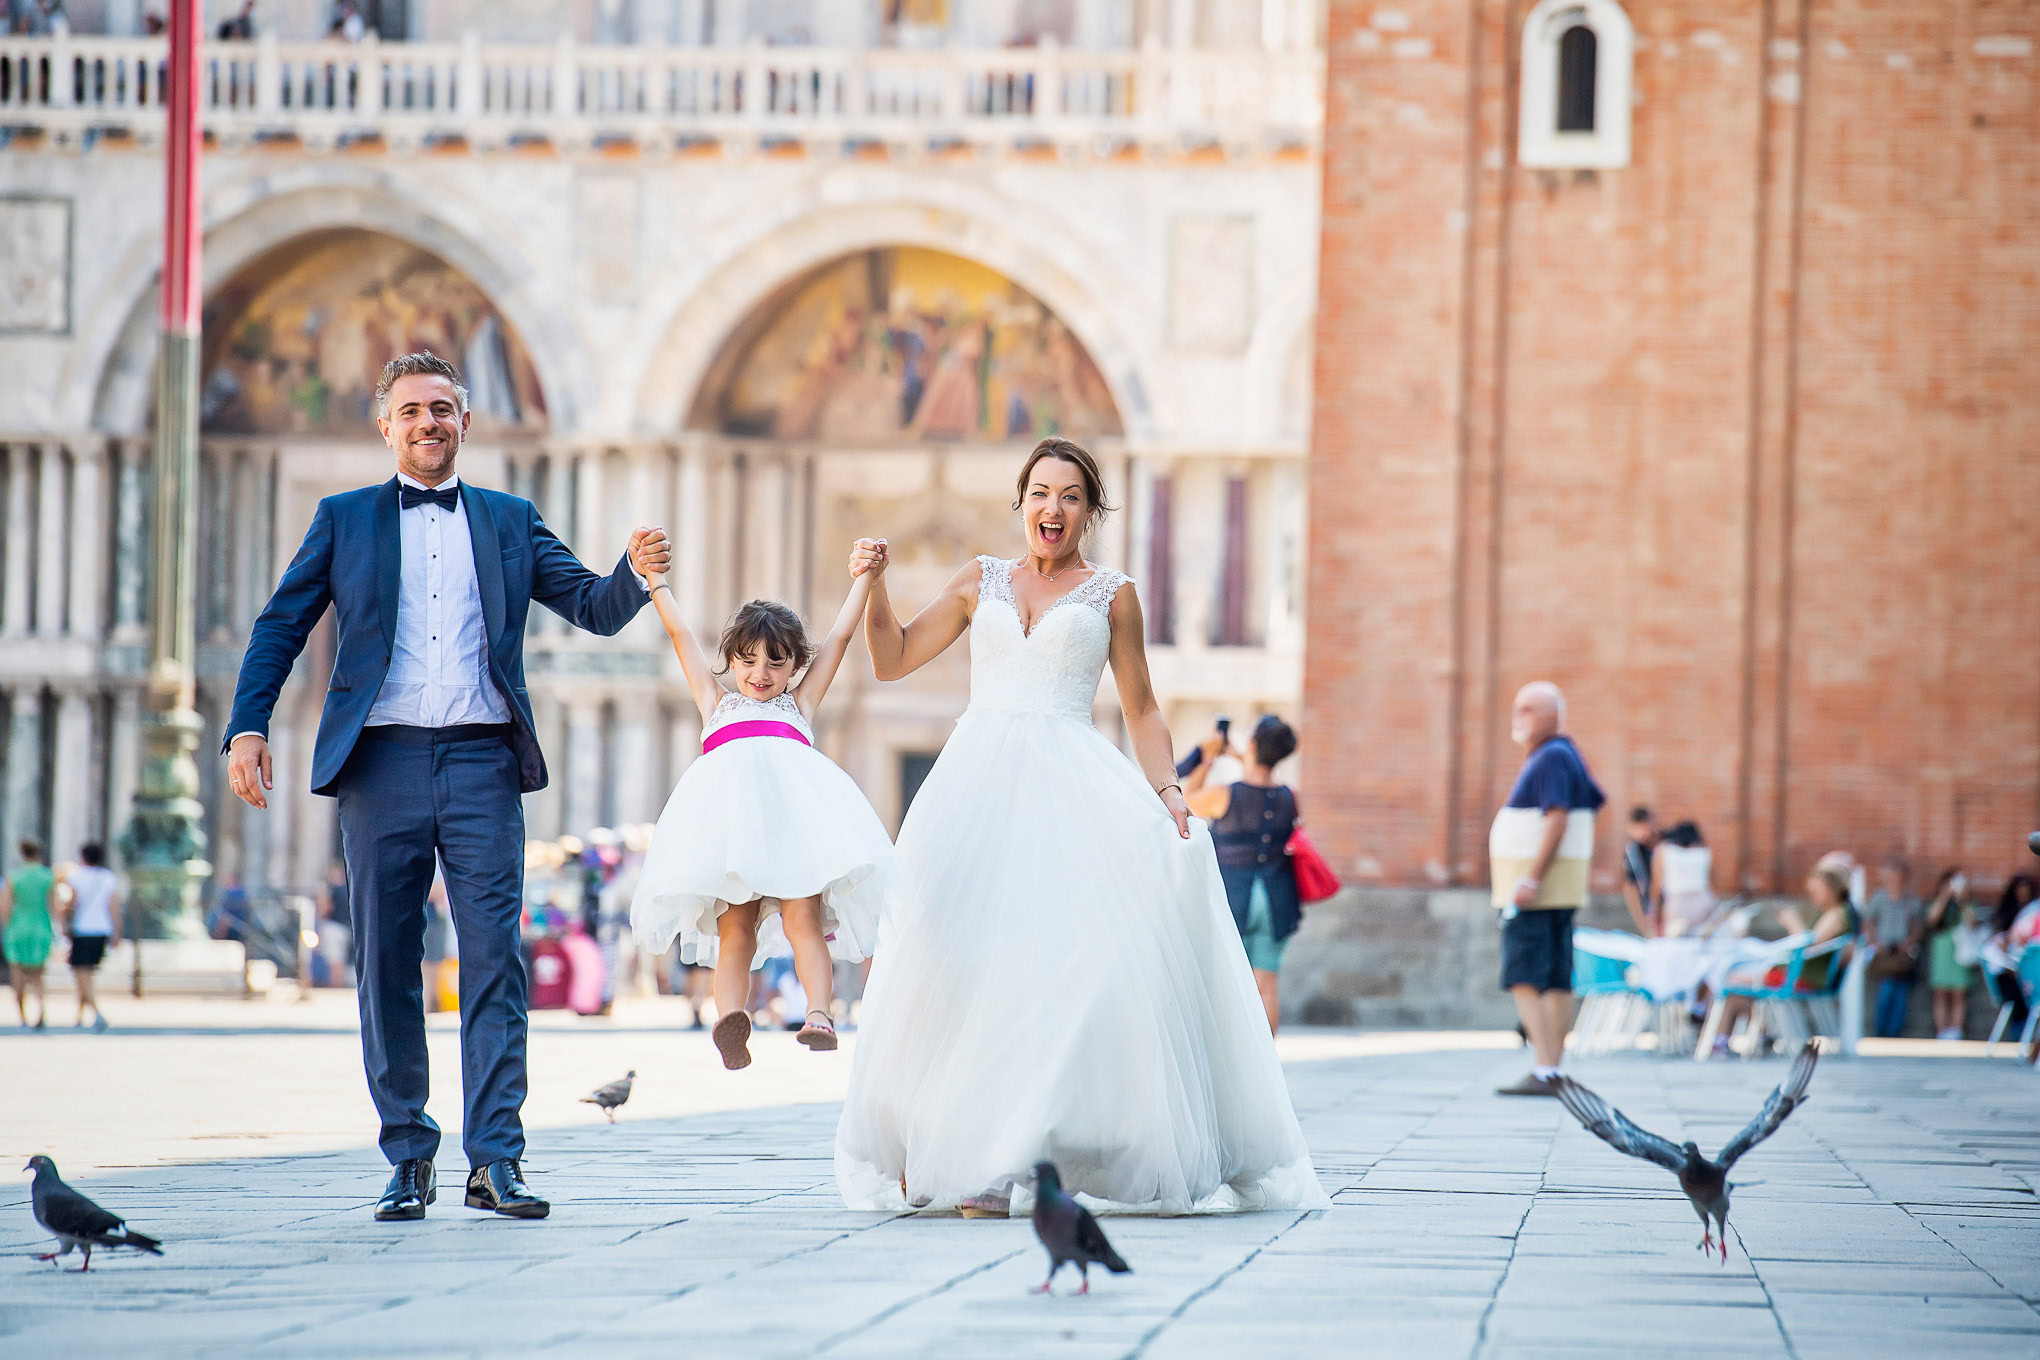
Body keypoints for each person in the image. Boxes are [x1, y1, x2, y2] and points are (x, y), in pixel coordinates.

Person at [223, 350, 665, 1223]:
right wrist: (248, 725)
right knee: (386, 960)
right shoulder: (343, 519)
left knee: (495, 957)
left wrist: (635, 571)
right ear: (386, 426)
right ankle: (408, 1155)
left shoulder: (508, 519)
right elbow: (282, 622)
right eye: (412, 410)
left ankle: (496, 1159)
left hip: (480, 761)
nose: (430, 422)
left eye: (444, 409)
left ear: (466, 422)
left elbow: (593, 607)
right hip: (378, 763)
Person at [835, 437, 1325, 1216]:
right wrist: (877, 585)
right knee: (955, 959)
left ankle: (1007, 1161)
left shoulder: (1113, 594)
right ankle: (950, 1148)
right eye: (1039, 493)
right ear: (1020, 503)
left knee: (1045, 970)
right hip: (972, 788)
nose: (1051, 509)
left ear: (1090, 511)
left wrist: (1168, 790)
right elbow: (892, 659)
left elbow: (1142, 707)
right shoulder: (979, 580)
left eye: (1069, 496)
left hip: (1068, 785)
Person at [631, 556, 895, 1069]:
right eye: (749, 661)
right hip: (734, 837)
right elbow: (682, 635)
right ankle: (730, 1018)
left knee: (804, 921)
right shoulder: (716, 703)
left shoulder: (799, 705)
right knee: (736, 930)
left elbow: (839, 638)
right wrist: (657, 582)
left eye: (777, 664)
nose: (761, 674)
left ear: (795, 667)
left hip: (795, 832)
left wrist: (864, 576)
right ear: (730, 659)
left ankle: (820, 1013)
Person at [1489, 682, 1606, 1097]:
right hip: (1556, 890)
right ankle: (1552, 1069)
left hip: (1534, 892)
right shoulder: (1565, 754)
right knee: (1556, 978)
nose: (1519, 717)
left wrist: (1532, 877)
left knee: (1524, 976)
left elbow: (1556, 818)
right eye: (1518, 708)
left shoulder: (1552, 756)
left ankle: (1544, 1069)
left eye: (1529, 710)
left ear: (1554, 715)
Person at [1186, 714, 1302, 1036]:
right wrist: (1247, 755)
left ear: (1252, 745)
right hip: (1276, 899)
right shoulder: (1291, 798)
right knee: (1266, 988)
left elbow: (1180, 803)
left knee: (1227, 987)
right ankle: (1267, 1072)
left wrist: (1208, 759)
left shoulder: (1224, 794)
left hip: (1234, 899)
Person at [61, 843, 121, 1031]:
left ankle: (97, 1013)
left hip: (82, 929)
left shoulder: (76, 876)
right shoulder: (107, 877)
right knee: (84, 973)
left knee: (82, 973)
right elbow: (113, 908)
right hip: (102, 928)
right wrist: (116, 932)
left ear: (83, 857)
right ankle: (79, 1015)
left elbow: (72, 903)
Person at [1864, 855, 1923, 1038]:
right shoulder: (1879, 898)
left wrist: (1909, 943)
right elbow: (1869, 921)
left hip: (1902, 952)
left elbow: (1918, 926)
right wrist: (1874, 942)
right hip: (1884, 951)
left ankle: (1894, 1031)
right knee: (1887, 988)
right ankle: (1881, 1030)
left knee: (1901, 991)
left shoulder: (1911, 900)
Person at [1, 840, 56, 1030]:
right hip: (41, 927)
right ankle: (40, 1008)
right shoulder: (47, 876)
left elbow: (4, 906)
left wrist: (7, 926)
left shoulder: (14, 876)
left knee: (17, 974)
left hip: (18, 928)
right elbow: (53, 906)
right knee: (38, 974)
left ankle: (22, 1016)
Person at [1922, 868, 1977, 1040]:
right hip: (1942, 949)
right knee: (1941, 991)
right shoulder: (1938, 902)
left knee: (1958, 992)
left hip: (1960, 951)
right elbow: (1931, 920)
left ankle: (1955, 1030)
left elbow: (1971, 923)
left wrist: (1961, 900)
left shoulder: (1966, 904)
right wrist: (1945, 896)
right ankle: (1941, 1030)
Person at [1986, 875, 2038, 1036]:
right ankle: (2021, 1036)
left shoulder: (2033, 911)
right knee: (2019, 1000)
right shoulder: (2010, 914)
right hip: (2009, 970)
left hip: (2029, 969)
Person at [1652, 820, 1715, 937]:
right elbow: (1711, 881)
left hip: (1677, 903)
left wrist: (1656, 912)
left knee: (1675, 943)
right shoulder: (1704, 850)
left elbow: (1658, 885)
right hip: (1702, 900)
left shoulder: (1664, 850)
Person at [1621, 806, 1657, 936]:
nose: (1640, 833)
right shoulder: (1632, 852)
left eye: (1643, 828)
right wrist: (1643, 923)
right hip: (1649, 910)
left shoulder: (1666, 846)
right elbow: (1630, 887)